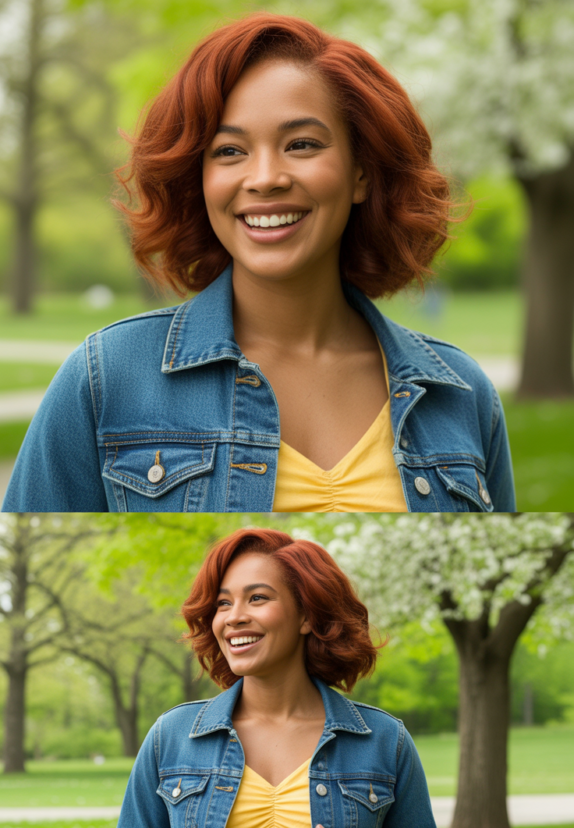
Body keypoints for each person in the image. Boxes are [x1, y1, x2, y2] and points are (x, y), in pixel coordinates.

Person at [2, 13, 516, 512]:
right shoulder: (105, 378)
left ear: (361, 173)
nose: (265, 177)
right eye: (229, 151)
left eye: (301, 144)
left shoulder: (462, 395)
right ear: (198, 178)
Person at [109, 527, 446, 828]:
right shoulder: (172, 736)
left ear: (308, 614)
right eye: (222, 604)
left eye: (257, 598)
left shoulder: (382, 740)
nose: (234, 617)